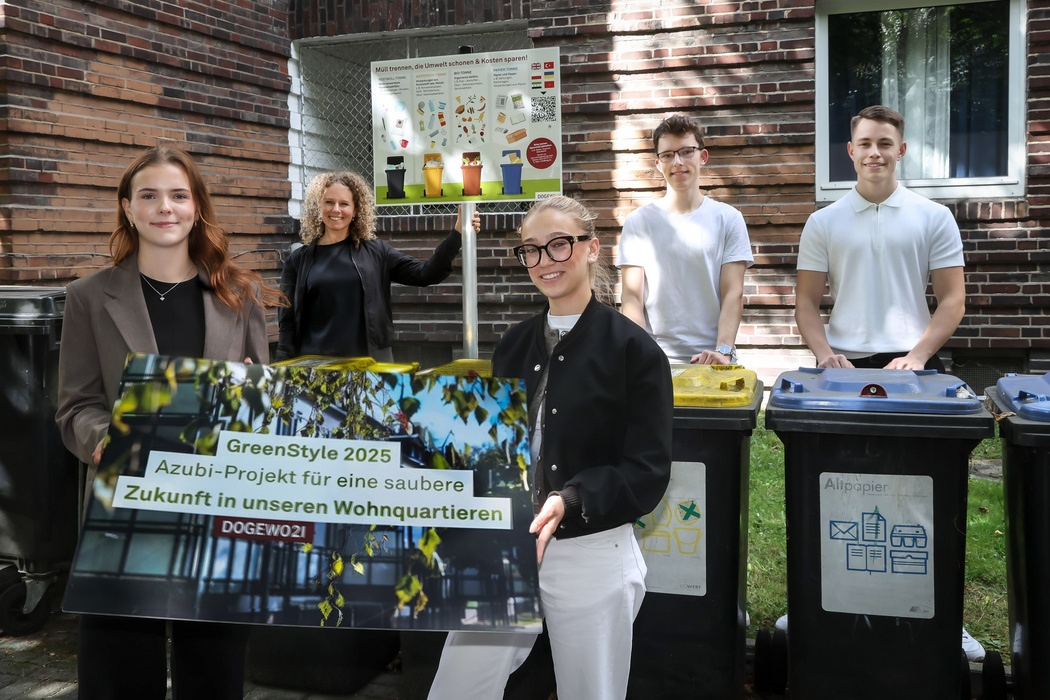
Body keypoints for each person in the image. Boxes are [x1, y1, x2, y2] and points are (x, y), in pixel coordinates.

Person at [56, 143, 283, 699]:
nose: (166, 207)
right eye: (150, 195)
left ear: (197, 206)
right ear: (128, 208)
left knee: (214, 672)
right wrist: (102, 438)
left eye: (179, 195)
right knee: (118, 672)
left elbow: (268, 411)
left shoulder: (240, 293)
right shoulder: (89, 298)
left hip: (220, 510)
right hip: (126, 509)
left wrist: (256, 398)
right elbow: (75, 406)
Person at [426, 196, 673, 700]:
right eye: (531, 250)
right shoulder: (513, 344)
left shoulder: (636, 351)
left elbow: (647, 469)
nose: (545, 261)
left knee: (591, 691)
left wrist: (572, 498)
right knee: (459, 684)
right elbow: (492, 448)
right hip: (507, 541)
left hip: (591, 547)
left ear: (590, 249)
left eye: (559, 245)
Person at [792, 105, 979, 660]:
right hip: (843, 369)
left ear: (901, 150)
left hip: (912, 371)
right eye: (865, 143)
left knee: (924, 496)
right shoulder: (823, 221)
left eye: (886, 143)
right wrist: (825, 354)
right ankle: (817, 600)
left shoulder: (932, 216)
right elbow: (805, 303)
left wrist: (918, 356)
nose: (875, 152)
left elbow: (952, 300)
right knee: (838, 487)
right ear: (850, 152)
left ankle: (948, 616)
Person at [276, 170, 479, 361]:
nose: (336, 210)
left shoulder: (376, 253)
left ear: (355, 210)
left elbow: (424, 274)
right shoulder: (298, 261)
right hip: (316, 367)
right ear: (318, 207)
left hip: (370, 366)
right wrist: (283, 370)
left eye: (344, 204)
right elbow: (287, 322)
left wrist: (457, 235)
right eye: (329, 202)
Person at [618, 113, 753, 364]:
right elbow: (631, 297)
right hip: (653, 359)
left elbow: (733, 293)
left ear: (702, 156)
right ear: (658, 164)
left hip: (713, 357)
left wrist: (723, 351)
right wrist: (640, 353)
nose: (677, 162)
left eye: (686, 152)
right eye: (668, 155)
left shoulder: (728, 218)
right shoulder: (638, 222)